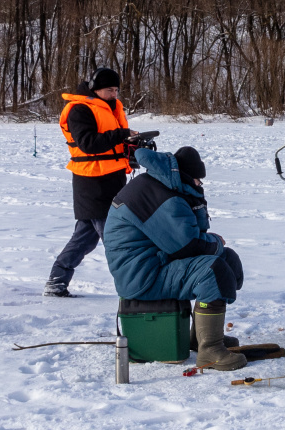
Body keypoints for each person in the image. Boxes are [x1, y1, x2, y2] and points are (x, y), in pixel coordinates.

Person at [103, 145, 250, 370]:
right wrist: (216, 242)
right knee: (212, 271)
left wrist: (197, 203)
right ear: (184, 176)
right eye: (198, 180)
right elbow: (188, 246)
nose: (200, 184)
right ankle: (210, 350)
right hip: (143, 277)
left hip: (154, 262)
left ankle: (198, 338)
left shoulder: (161, 186)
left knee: (226, 259)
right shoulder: (162, 197)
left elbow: (190, 234)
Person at [45, 67, 139, 297]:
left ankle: (57, 280)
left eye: (116, 89)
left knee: (85, 238)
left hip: (113, 179)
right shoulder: (80, 109)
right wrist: (122, 135)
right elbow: (88, 144)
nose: (114, 94)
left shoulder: (110, 108)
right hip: (91, 182)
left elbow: (112, 142)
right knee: (115, 237)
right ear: (95, 89)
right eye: (109, 90)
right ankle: (134, 286)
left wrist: (132, 148)